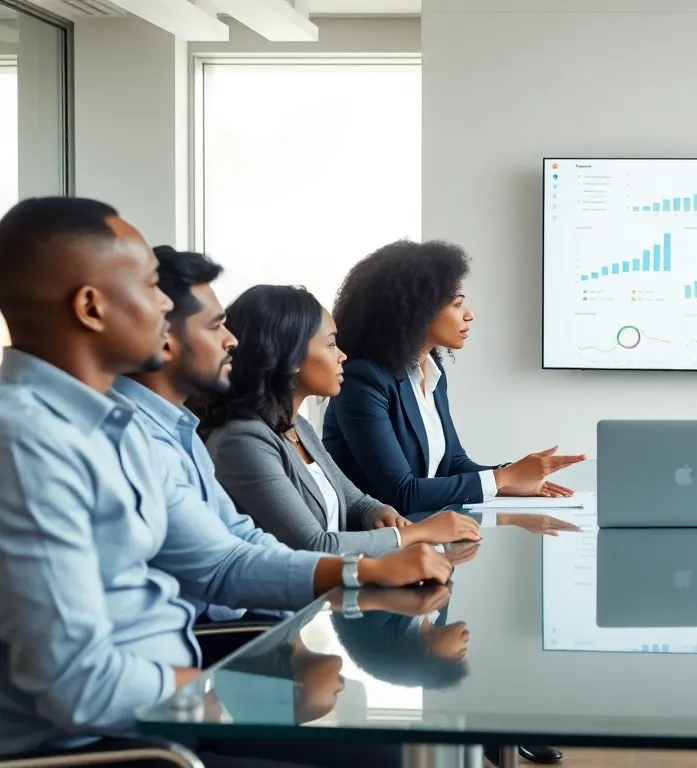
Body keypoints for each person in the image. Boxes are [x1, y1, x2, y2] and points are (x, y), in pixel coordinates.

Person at [0, 197, 455, 767]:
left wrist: (363, 571)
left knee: (397, 750)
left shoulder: (117, 426)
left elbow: (222, 560)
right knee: (390, 758)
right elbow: (79, 685)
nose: (164, 305)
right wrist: (214, 697)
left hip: (168, 701)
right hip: (106, 745)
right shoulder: (27, 442)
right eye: (150, 285)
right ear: (91, 307)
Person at [196, 284, 481, 556]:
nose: (343, 356)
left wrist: (378, 512)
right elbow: (315, 546)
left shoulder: (298, 427)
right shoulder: (243, 440)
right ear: (290, 357)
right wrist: (417, 533)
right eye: (331, 344)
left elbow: (356, 501)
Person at [112, 246, 289, 657]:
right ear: (165, 341)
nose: (232, 340)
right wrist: (347, 574)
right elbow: (222, 566)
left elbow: (239, 533)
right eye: (215, 326)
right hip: (191, 646)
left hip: (222, 631)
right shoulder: (136, 436)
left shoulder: (181, 429)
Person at [324, 239, 585, 515]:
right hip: (375, 537)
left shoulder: (431, 371)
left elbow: (453, 464)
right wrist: (503, 477)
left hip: (424, 529)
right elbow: (401, 493)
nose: (469, 315)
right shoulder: (362, 381)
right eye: (457, 304)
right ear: (417, 310)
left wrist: (512, 480)